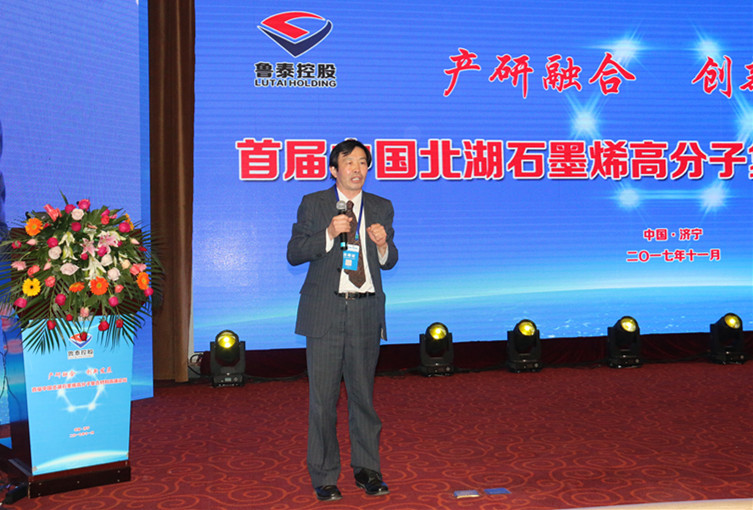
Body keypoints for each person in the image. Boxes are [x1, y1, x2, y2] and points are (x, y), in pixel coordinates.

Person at [287, 139, 398, 502]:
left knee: (363, 397)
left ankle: (368, 470)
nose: (357, 169)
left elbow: (390, 260)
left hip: (365, 310)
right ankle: (324, 476)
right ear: (334, 169)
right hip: (325, 311)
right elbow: (294, 253)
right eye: (349, 162)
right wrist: (329, 234)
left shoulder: (381, 206)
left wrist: (382, 245)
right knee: (323, 400)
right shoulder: (314, 203)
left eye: (363, 162)